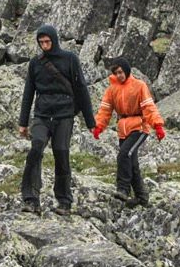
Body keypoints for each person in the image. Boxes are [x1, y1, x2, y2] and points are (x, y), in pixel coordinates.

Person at [19, 24, 97, 215]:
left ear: (54, 40)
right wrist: (23, 122)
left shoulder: (70, 59)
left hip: (64, 116)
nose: (44, 45)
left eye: (47, 41)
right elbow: (28, 92)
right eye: (41, 42)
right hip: (42, 115)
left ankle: (64, 201)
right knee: (36, 148)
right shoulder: (35, 63)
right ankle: (31, 199)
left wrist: (90, 122)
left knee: (61, 154)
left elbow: (81, 90)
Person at [92, 57, 165, 207]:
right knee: (131, 163)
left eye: (120, 72)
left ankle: (123, 189)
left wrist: (157, 126)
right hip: (123, 129)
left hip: (139, 127)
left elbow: (148, 107)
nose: (119, 75)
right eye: (116, 73)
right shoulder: (112, 89)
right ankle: (141, 197)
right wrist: (99, 126)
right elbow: (105, 110)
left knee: (124, 154)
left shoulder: (139, 86)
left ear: (126, 70)